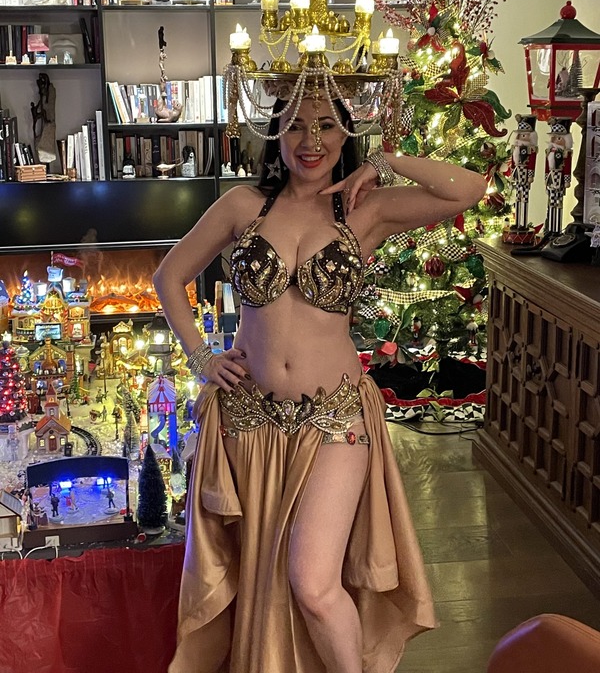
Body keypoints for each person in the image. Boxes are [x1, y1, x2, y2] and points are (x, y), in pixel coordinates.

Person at [154, 94, 487, 673]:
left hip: (335, 417)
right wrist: (202, 356)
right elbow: (169, 275)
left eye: (327, 125)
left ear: (346, 134)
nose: (311, 141)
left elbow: (468, 189)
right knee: (258, 570)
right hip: (251, 420)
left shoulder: (367, 210)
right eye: (296, 126)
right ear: (275, 135)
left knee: (311, 580)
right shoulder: (243, 205)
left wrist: (384, 160)